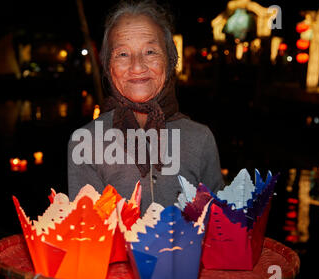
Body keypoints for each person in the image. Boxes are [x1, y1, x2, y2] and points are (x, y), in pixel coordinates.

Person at [68, 0, 224, 211]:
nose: (137, 66)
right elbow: (86, 232)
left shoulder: (201, 138)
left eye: (150, 52)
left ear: (170, 60)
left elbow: (219, 228)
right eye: (122, 54)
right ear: (108, 66)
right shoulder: (85, 143)